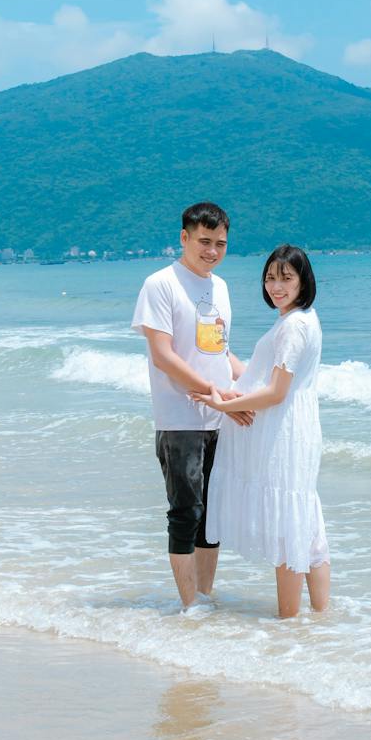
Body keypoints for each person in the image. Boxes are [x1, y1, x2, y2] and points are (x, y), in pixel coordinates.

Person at [202, 245, 331, 619]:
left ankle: (289, 620)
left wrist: (224, 406)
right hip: (296, 426)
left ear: (303, 281)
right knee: (304, 521)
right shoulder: (301, 319)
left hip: (284, 431)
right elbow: (259, 377)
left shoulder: (293, 326)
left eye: (286, 278)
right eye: (271, 277)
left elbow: (276, 392)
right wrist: (226, 371)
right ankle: (322, 618)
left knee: (288, 525)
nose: (276, 286)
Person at [131, 202, 248, 610]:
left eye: (220, 243)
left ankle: (204, 597)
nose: (212, 250)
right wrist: (214, 392)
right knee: (186, 512)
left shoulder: (221, 287)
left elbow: (220, 349)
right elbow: (163, 355)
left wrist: (250, 383)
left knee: (212, 515)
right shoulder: (160, 284)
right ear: (184, 238)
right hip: (179, 418)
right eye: (204, 241)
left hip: (220, 418)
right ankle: (188, 608)